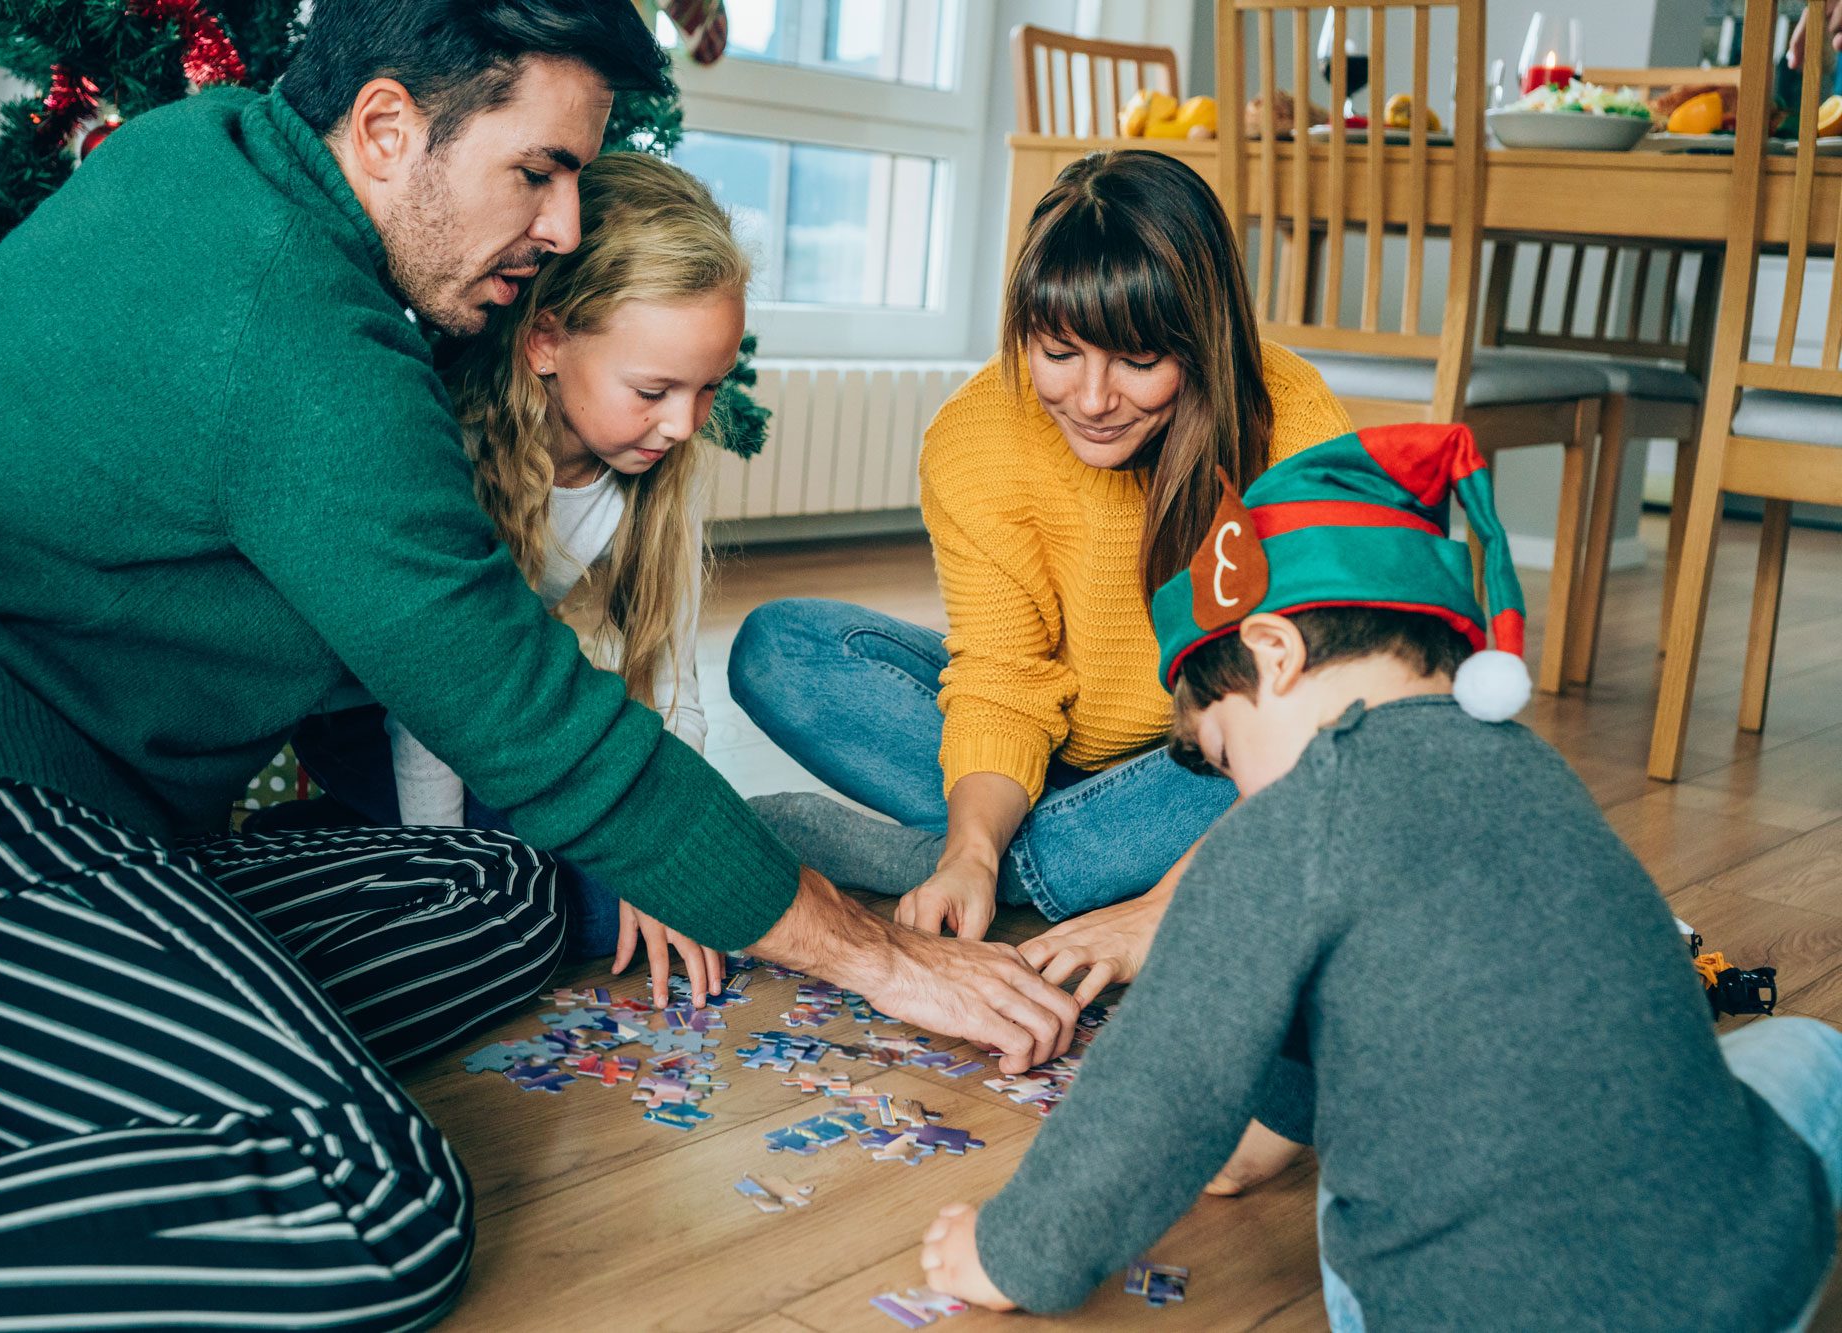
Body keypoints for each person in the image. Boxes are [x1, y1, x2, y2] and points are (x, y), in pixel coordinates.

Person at [0, 2, 1075, 1326]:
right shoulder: (292, 321)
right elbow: (523, 715)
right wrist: (882, 962)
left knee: (503, 884)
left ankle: (71, 1112)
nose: (560, 230)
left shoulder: (222, 156)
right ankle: (117, 1114)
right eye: (537, 173)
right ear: (385, 129)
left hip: (104, 824)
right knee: (371, 1209)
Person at [914, 422, 1842, 1330]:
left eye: (1226, 750)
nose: (1239, 785)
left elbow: (1159, 1088)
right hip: (1756, 1279)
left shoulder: (1289, 824)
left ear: (1275, 654)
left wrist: (1009, 1253)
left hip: (1466, 1308)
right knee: (1805, 1048)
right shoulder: (1533, 767)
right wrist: (1255, 1143)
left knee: (1375, 1194)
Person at [730, 150, 1351, 944]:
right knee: (778, 648)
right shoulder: (975, 434)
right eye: (1059, 353)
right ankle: (1040, 859)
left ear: (1201, 342)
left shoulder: (1290, 420)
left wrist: (1152, 913)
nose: (1092, 399)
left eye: (1138, 360)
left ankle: (913, 856)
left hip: (1193, 764)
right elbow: (1002, 675)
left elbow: (1311, 707)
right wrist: (971, 851)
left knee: (1314, 754)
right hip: (1054, 750)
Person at [286, 148, 739, 1006]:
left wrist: (671, 841)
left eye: (708, 388)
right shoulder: (449, 451)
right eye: (653, 389)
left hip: (500, 728)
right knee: (606, 914)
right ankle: (317, 840)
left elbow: (672, 685)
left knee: (674, 885)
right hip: (372, 726)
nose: (684, 423)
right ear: (545, 343)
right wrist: (444, 872)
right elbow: (431, 708)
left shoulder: (649, 466)